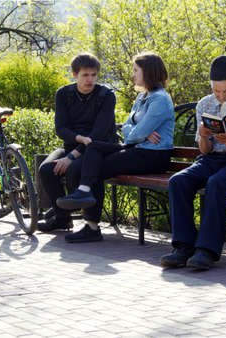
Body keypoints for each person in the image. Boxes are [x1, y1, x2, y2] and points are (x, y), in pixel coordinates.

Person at [160, 55, 226, 270]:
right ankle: (183, 247)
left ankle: (207, 251)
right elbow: (204, 150)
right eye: (216, 91)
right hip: (212, 159)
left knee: (217, 183)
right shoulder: (205, 104)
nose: (220, 97)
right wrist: (203, 136)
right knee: (178, 181)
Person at [56, 52, 175, 243]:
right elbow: (127, 128)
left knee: (95, 166)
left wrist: (140, 131)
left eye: (136, 70)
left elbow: (135, 132)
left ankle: (92, 226)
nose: (133, 75)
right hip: (137, 149)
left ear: (149, 72)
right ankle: (85, 193)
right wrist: (141, 131)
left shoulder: (160, 99)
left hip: (154, 156)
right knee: (94, 147)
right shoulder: (142, 97)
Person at [38, 52, 116, 232]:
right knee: (47, 169)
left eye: (94, 75)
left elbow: (98, 134)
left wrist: (71, 157)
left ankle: (83, 218)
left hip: (97, 149)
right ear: (75, 74)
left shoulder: (106, 96)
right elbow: (61, 128)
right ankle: (62, 218)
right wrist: (77, 140)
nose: (90, 80)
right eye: (85, 75)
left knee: (73, 169)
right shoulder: (63, 94)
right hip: (73, 145)